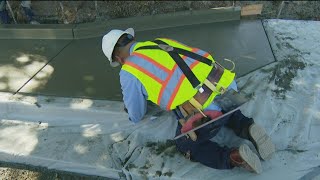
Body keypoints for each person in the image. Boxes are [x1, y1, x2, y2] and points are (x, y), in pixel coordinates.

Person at [101, 28, 275, 174]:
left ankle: (234, 156)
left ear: (118, 58)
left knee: (185, 144)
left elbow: (136, 114)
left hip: (204, 111)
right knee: (221, 106)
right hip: (226, 87)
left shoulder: (129, 71)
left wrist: (132, 112)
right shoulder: (159, 42)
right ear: (131, 39)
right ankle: (247, 126)